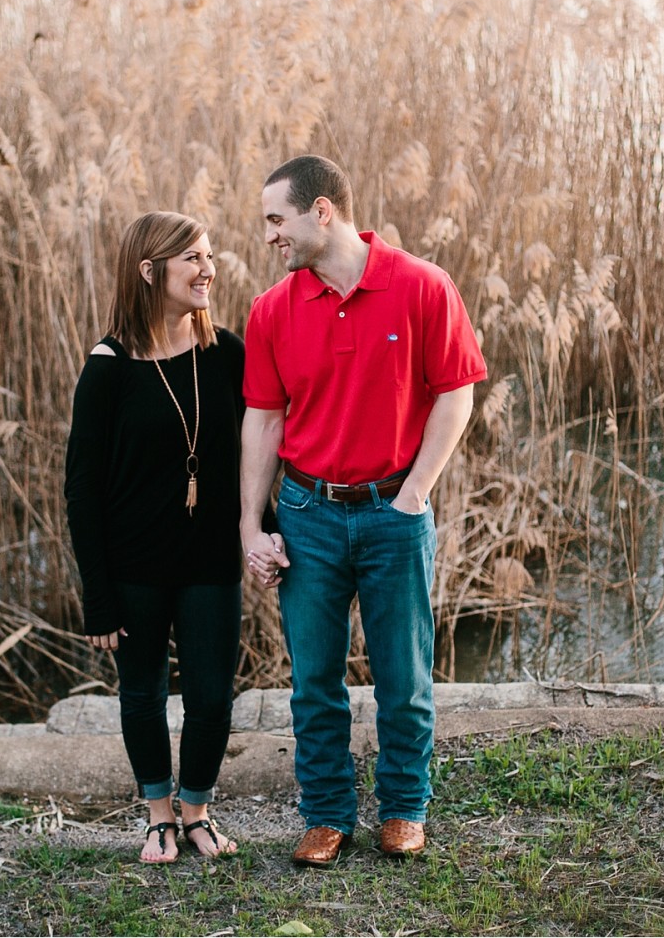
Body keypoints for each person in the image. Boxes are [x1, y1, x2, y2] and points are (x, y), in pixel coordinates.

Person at [239, 155, 487, 866]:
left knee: (403, 678)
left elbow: (456, 392)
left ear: (323, 213)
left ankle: (405, 807)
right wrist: (253, 526)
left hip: (392, 512)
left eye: (276, 220)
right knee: (314, 681)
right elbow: (263, 421)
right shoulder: (271, 310)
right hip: (308, 514)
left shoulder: (420, 285)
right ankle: (326, 813)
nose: (269, 238)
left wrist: (415, 492)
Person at [65, 211, 276, 864]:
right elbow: (82, 489)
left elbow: (261, 451)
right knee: (144, 693)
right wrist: (97, 596)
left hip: (210, 559)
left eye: (209, 255)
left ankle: (197, 811)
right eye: (193, 259)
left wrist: (262, 531)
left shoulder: (228, 354)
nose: (209, 269)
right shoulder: (108, 367)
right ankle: (157, 817)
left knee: (213, 695)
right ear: (150, 270)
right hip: (133, 567)